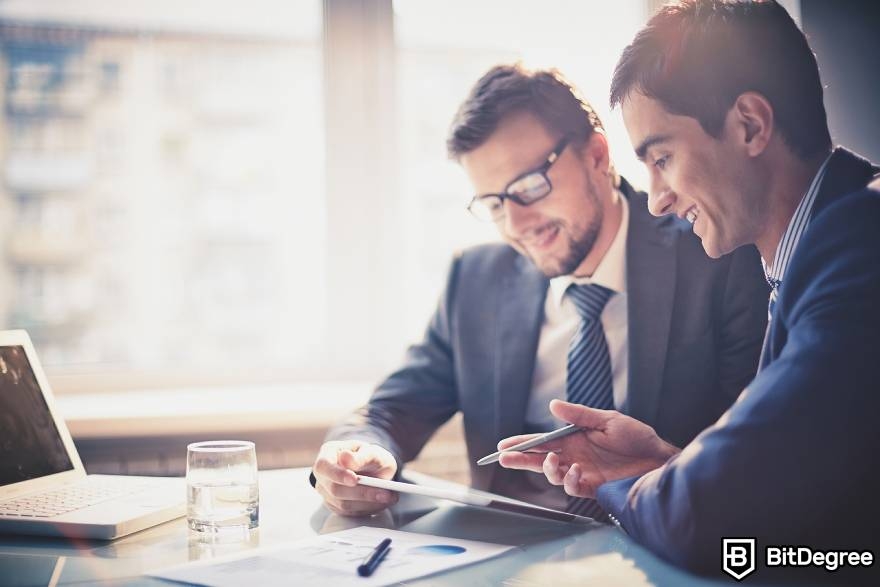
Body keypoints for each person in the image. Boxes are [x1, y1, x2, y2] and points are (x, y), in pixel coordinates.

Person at [497, 0, 880, 580]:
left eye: (663, 158)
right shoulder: (813, 249)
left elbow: (704, 519)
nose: (656, 200)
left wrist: (630, 480)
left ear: (750, 125)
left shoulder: (858, 247)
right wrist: (666, 462)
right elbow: (787, 494)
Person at [311, 63, 768, 520]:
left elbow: (754, 456)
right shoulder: (475, 279)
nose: (516, 224)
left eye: (529, 186)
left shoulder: (715, 254)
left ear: (596, 155)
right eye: (494, 203)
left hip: (657, 543)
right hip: (507, 556)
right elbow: (391, 409)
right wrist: (353, 454)